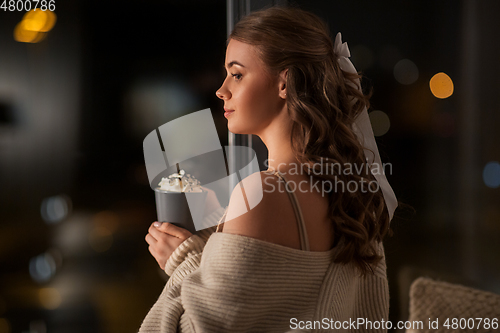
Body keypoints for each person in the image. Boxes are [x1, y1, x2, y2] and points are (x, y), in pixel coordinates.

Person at [140, 5, 397, 333]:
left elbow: (196, 328)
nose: (222, 90)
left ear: (284, 83)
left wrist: (181, 260)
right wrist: (217, 239)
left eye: (237, 74)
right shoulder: (350, 189)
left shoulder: (260, 193)